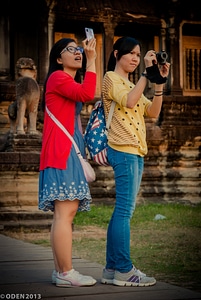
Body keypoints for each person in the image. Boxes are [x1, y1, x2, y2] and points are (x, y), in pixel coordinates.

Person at [101, 36, 170, 287]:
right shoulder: (111, 78)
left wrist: (158, 82)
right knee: (125, 211)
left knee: (121, 210)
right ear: (117, 54)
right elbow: (129, 101)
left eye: (139, 55)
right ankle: (123, 269)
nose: (135, 58)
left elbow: (151, 112)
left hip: (136, 151)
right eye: (131, 53)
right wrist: (145, 74)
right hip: (123, 149)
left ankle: (110, 269)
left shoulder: (132, 83)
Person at [38, 37, 97, 287]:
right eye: (70, 49)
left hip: (63, 151)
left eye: (79, 50)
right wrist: (93, 60)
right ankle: (66, 273)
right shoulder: (59, 78)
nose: (78, 52)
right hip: (62, 152)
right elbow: (88, 93)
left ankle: (60, 270)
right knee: (65, 213)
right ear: (58, 58)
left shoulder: (66, 81)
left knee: (63, 214)